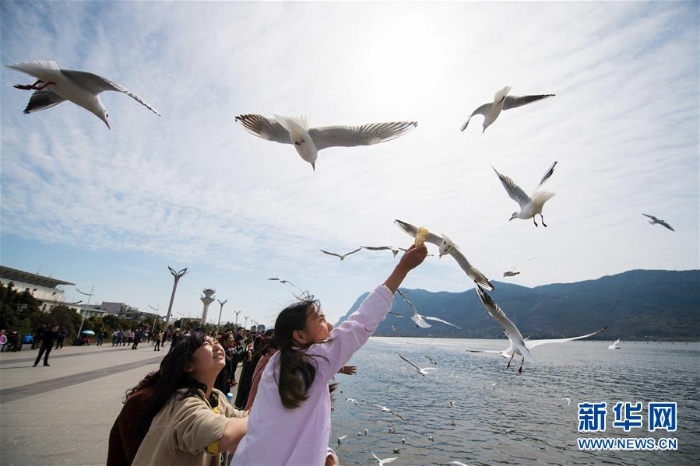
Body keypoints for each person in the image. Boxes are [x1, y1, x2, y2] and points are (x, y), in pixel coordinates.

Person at [230, 243, 427, 466]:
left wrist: (324, 452)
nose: (331, 325)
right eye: (321, 320)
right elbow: (360, 323)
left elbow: (289, 427)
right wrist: (402, 268)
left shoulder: (278, 363)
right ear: (300, 336)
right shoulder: (313, 361)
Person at [131, 332, 248, 466]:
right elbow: (223, 436)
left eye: (215, 342)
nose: (216, 346)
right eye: (206, 344)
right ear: (188, 365)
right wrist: (261, 419)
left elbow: (242, 416)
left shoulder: (216, 397)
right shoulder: (181, 402)